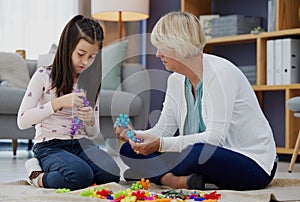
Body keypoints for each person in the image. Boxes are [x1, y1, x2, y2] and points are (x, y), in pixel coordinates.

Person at [115, 11, 277, 190]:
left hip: (251, 163)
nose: (157, 54)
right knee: (129, 150)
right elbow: (163, 131)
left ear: (181, 44)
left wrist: (158, 146)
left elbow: (214, 139)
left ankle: (156, 174)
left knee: (196, 153)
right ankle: (175, 180)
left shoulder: (221, 74)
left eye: (163, 47)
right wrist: (135, 135)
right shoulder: (175, 80)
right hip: (202, 160)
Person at [18, 15, 120, 190]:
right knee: (79, 176)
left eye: (92, 56)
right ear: (67, 47)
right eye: (81, 54)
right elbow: (22, 121)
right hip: (50, 146)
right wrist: (57, 103)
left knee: (111, 173)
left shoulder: (92, 82)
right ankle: (36, 174)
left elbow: (93, 134)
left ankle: (77, 170)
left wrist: (89, 120)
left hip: (83, 144)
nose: (85, 62)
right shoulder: (43, 76)